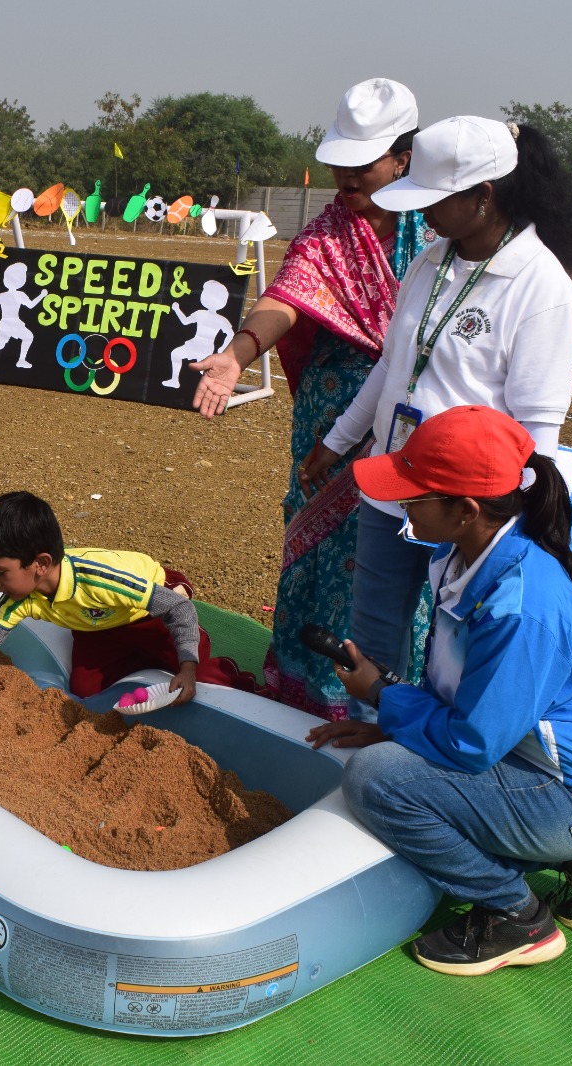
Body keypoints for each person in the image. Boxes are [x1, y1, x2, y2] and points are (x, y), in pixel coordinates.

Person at [307, 405, 572, 976]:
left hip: (569, 794)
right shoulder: (461, 554)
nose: (403, 505)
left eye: (413, 496)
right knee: (389, 759)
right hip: (531, 764)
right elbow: (466, 698)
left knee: (377, 782)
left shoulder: (521, 607)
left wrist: (387, 700)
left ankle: (517, 915)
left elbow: (470, 744)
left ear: (465, 511)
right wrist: (394, 721)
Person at [300, 115, 572, 721]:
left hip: (466, 508)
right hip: (395, 483)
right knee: (373, 629)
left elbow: (537, 433)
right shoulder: (430, 261)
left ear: (483, 198)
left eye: (433, 200)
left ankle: (422, 759)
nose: (421, 213)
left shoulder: (541, 289)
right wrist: (339, 440)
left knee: (450, 646)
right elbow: (392, 366)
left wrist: (504, 531)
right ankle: (368, 736)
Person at [190, 78, 433, 720]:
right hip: (332, 417)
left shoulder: (435, 239)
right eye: (341, 161)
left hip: (412, 420)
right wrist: (237, 354)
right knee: (326, 545)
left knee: (406, 544)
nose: (346, 174)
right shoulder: (328, 237)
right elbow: (286, 300)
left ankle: (392, 687)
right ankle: (308, 681)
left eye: (365, 162)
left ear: (402, 160)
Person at [0, 492, 254, 725]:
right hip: (98, 624)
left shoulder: (99, 579)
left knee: (203, 680)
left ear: (40, 563)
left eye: (0, 572)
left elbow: (178, 611)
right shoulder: (19, 597)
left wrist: (187, 668)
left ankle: (235, 677)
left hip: (150, 610)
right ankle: (140, 661)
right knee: (86, 689)